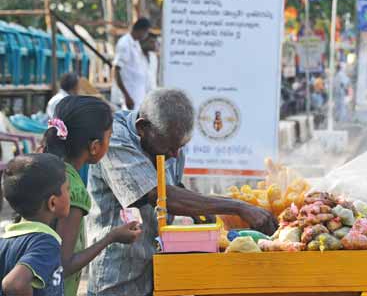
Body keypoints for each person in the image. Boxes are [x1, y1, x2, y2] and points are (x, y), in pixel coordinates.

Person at [86, 88, 278, 296]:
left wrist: (211, 221)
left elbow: (177, 189)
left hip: (156, 268)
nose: (175, 154)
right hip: (117, 275)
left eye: (181, 147)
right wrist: (238, 207)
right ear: (142, 128)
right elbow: (159, 195)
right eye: (170, 148)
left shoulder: (169, 139)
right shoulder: (115, 138)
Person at [42, 96, 142, 296]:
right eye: (110, 137)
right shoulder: (73, 190)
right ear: (94, 146)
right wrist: (112, 237)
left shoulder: (45, 168)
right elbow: (64, 264)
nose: (110, 142)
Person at [0, 153, 70, 295]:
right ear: (53, 203)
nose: (71, 195)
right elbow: (14, 284)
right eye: (67, 189)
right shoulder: (46, 242)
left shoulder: (5, 240)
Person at [111, 17, 151, 110]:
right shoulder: (124, 43)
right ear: (141, 30)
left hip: (137, 95)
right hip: (129, 96)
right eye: (146, 32)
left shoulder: (136, 43)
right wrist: (126, 96)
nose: (146, 35)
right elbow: (116, 70)